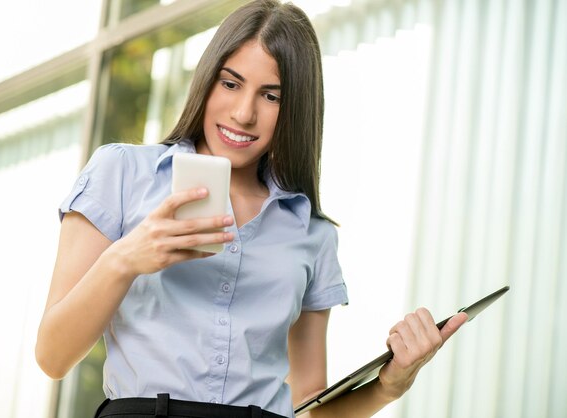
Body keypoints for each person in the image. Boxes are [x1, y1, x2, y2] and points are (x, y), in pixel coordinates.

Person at [35, 1, 467, 417]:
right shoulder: (123, 173)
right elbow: (52, 357)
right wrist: (126, 258)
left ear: (296, 109)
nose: (243, 113)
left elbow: (310, 407)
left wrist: (389, 385)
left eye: (271, 96)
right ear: (206, 80)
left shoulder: (312, 234)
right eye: (230, 83)